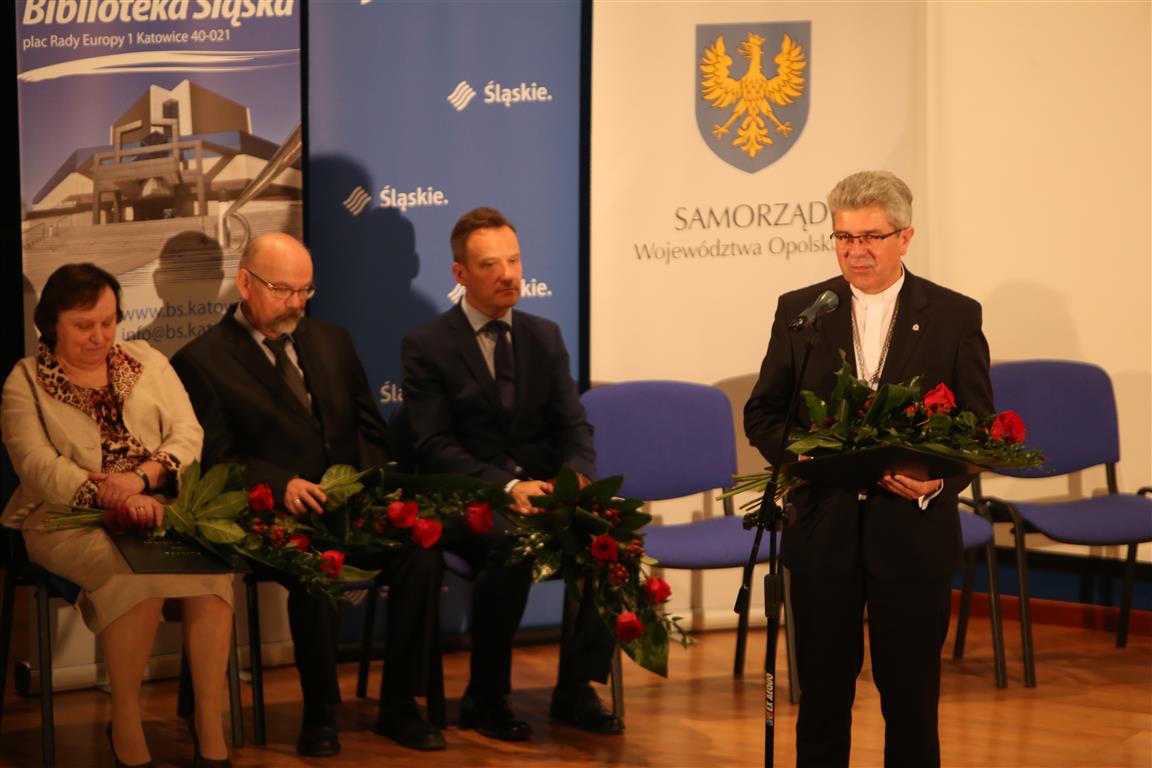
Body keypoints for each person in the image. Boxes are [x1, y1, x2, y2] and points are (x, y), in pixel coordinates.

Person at [744, 170, 993, 767]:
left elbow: (978, 427)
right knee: (822, 700)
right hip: (822, 529)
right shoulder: (802, 311)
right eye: (844, 237)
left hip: (912, 533)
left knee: (911, 703)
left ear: (905, 237)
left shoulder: (954, 315)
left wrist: (940, 480)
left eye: (870, 237)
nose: (855, 251)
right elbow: (764, 413)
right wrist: (806, 456)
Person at [171, 233, 443, 756]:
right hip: (268, 515)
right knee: (317, 568)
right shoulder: (202, 360)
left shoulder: (332, 340)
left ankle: (400, 705)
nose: (296, 303)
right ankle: (320, 714)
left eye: (305, 290)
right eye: (282, 290)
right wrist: (281, 485)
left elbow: (369, 429)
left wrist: (368, 491)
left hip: (344, 504)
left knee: (420, 552)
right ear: (245, 283)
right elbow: (216, 463)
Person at [401, 207, 622, 741]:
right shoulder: (428, 344)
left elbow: (574, 425)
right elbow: (434, 445)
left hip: (544, 493)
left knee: (609, 537)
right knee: (512, 543)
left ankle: (576, 688)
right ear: (460, 274)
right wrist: (506, 487)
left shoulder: (544, 336)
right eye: (490, 265)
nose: (508, 275)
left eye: (515, 261)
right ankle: (486, 696)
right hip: (471, 499)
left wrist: (575, 479)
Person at [2, 264, 233, 768]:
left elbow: (188, 434)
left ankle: (210, 726)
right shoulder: (24, 380)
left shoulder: (148, 361)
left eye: (108, 322)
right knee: (135, 578)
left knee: (214, 579)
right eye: (84, 325)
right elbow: (37, 466)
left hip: (155, 510)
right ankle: (126, 721)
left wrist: (142, 480)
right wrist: (111, 496)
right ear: (51, 324)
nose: (99, 336)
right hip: (67, 520)